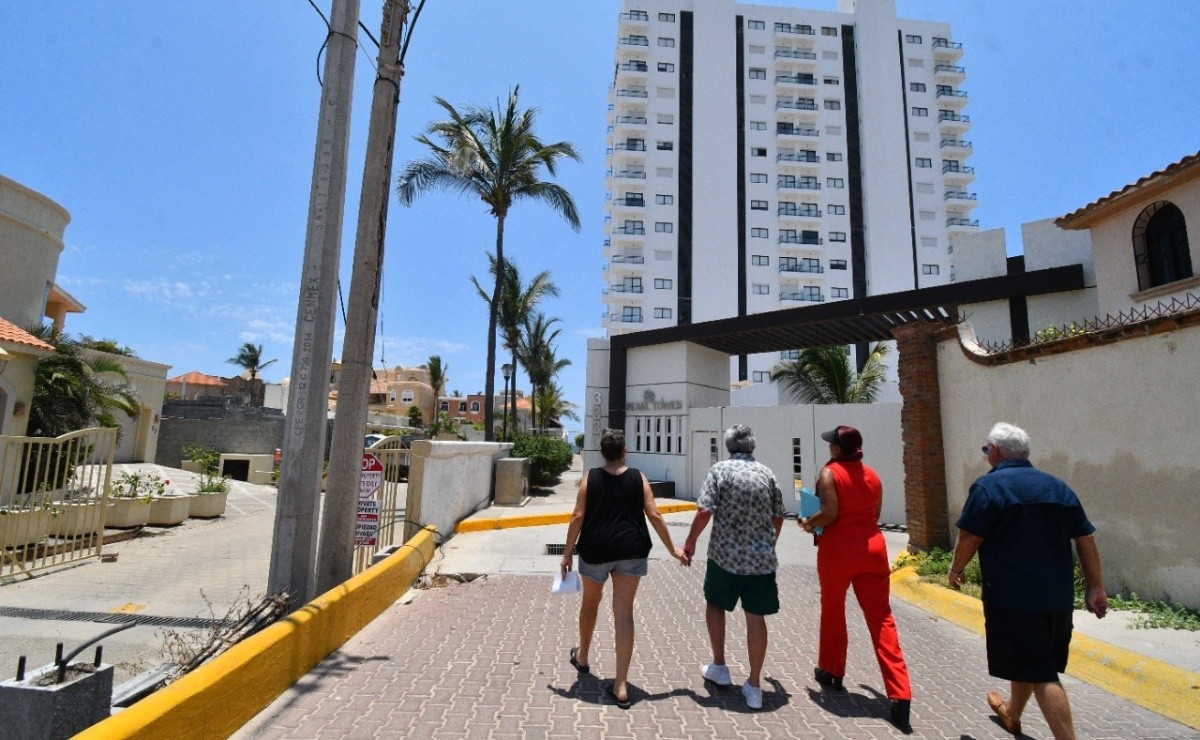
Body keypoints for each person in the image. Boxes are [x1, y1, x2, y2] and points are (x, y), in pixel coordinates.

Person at [948, 422, 1107, 739]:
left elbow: (970, 536)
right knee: (1032, 661)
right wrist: (1095, 587)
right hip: (1057, 599)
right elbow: (1085, 539)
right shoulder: (1058, 487)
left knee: (1042, 673)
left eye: (986, 450)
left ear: (995, 451)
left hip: (1013, 599)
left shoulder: (989, 487)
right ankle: (1012, 713)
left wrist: (955, 569)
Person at [560, 428, 687, 708]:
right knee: (623, 613)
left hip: (596, 550)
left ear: (602, 452)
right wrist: (673, 549)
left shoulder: (591, 477)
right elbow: (654, 514)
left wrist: (567, 554)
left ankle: (583, 657)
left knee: (590, 604)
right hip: (631, 549)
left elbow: (578, 516)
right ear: (624, 451)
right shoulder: (638, 477)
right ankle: (620, 685)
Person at [800, 425, 912, 732]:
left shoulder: (830, 473)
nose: (828, 448)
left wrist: (808, 523)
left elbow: (829, 513)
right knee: (882, 619)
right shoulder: (873, 475)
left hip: (838, 549)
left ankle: (832, 671)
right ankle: (901, 694)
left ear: (837, 449)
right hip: (872, 549)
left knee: (834, 610)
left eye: (831, 444)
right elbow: (875, 514)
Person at [682, 424, 784, 710]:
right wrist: (768, 543)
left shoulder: (720, 471)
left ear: (728, 445)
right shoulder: (767, 474)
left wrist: (690, 541)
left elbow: (705, 510)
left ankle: (719, 666)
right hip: (760, 561)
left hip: (724, 556)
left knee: (715, 605)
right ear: (753, 445)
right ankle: (754, 685)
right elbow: (778, 516)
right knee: (756, 618)